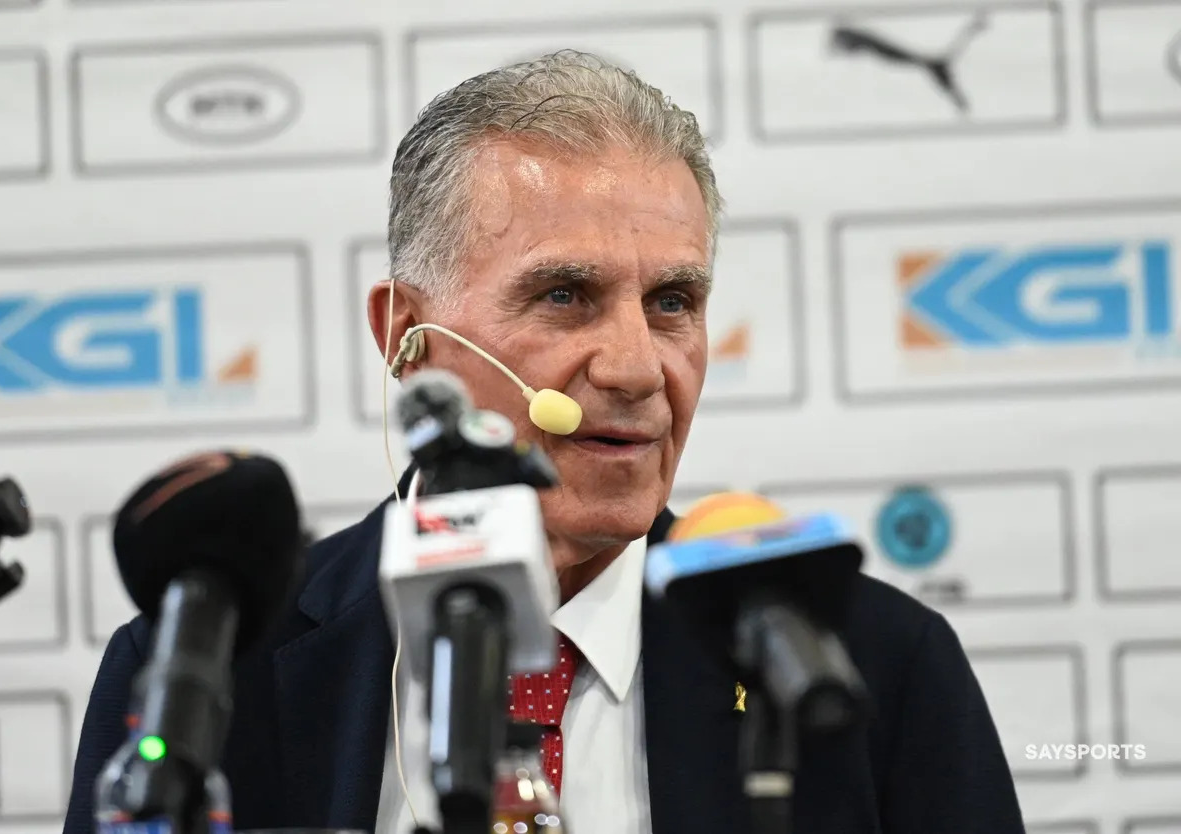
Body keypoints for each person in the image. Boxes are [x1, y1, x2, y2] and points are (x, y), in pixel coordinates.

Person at [64, 51, 1026, 834]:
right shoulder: (201, 674)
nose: (637, 368)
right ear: (407, 336)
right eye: (565, 294)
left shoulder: (872, 668)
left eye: (673, 302)